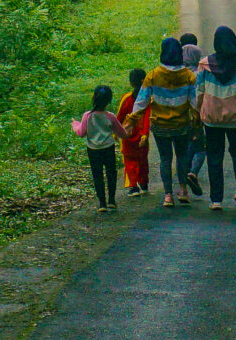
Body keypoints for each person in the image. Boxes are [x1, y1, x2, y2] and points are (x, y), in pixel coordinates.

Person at [194, 24, 236, 210]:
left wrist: (199, 111)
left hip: (211, 120)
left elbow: (198, 92)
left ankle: (216, 200)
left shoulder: (205, 64)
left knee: (214, 157)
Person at [142, 38, 201, 206]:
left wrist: (132, 121)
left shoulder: (153, 75)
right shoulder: (189, 76)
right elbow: (195, 103)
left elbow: (142, 101)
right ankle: (183, 189)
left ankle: (168, 195)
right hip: (181, 125)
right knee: (182, 157)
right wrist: (197, 124)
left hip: (160, 125)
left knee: (165, 159)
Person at [71, 85, 120, 212]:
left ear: (94, 98)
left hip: (93, 150)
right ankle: (112, 201)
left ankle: (102, 203)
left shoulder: (87, 116)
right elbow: (122, 133)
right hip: (108, 147)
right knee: (111, 173)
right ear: (109, 100)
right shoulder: (110, 116)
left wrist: (75, 124)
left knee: (97, 174)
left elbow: (81, 133)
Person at [177, 30, 208, 196]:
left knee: (181, 147)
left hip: (177, 116)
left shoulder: (175, 73)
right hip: (197, 116)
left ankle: (182, 180)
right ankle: (192, 172)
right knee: (200, 147)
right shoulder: (200, 74)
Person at [116, 67, 151, 195]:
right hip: (142, 135)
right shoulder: (148, 99)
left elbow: (119, 116)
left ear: (131, 83)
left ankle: (133, 186)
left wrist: (115, 132)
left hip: (127, 134)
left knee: (130, 161)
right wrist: (145, 135)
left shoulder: (127, 98)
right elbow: (148, 118)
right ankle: (143, 182)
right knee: (142, 160)